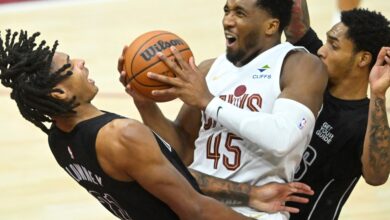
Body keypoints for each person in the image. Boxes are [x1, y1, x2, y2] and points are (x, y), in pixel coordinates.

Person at [0, 29, 315, 220]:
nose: (81, 62)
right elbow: (195, 210)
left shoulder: (58, 138)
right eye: (70, 65)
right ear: (59, 91)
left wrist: (249, 194)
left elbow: (167, 174)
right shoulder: (123, 136)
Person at [118, 0, 328, 219]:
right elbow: (183, 152)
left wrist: (209, 102)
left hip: (258, 211)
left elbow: (282, 139)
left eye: (240, 13)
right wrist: (145, 104)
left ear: (271, 26)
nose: (227, 20)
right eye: (226, 11)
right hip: (198, 203)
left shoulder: (299, 65)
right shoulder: (209, 69)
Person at [284, 2, 390, 219]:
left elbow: (377, 176)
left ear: (363, 59)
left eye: (333, 45)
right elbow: (296, 27)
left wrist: (378, 93)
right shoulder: (316, 72)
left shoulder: (363, 122)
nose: (322, 51)